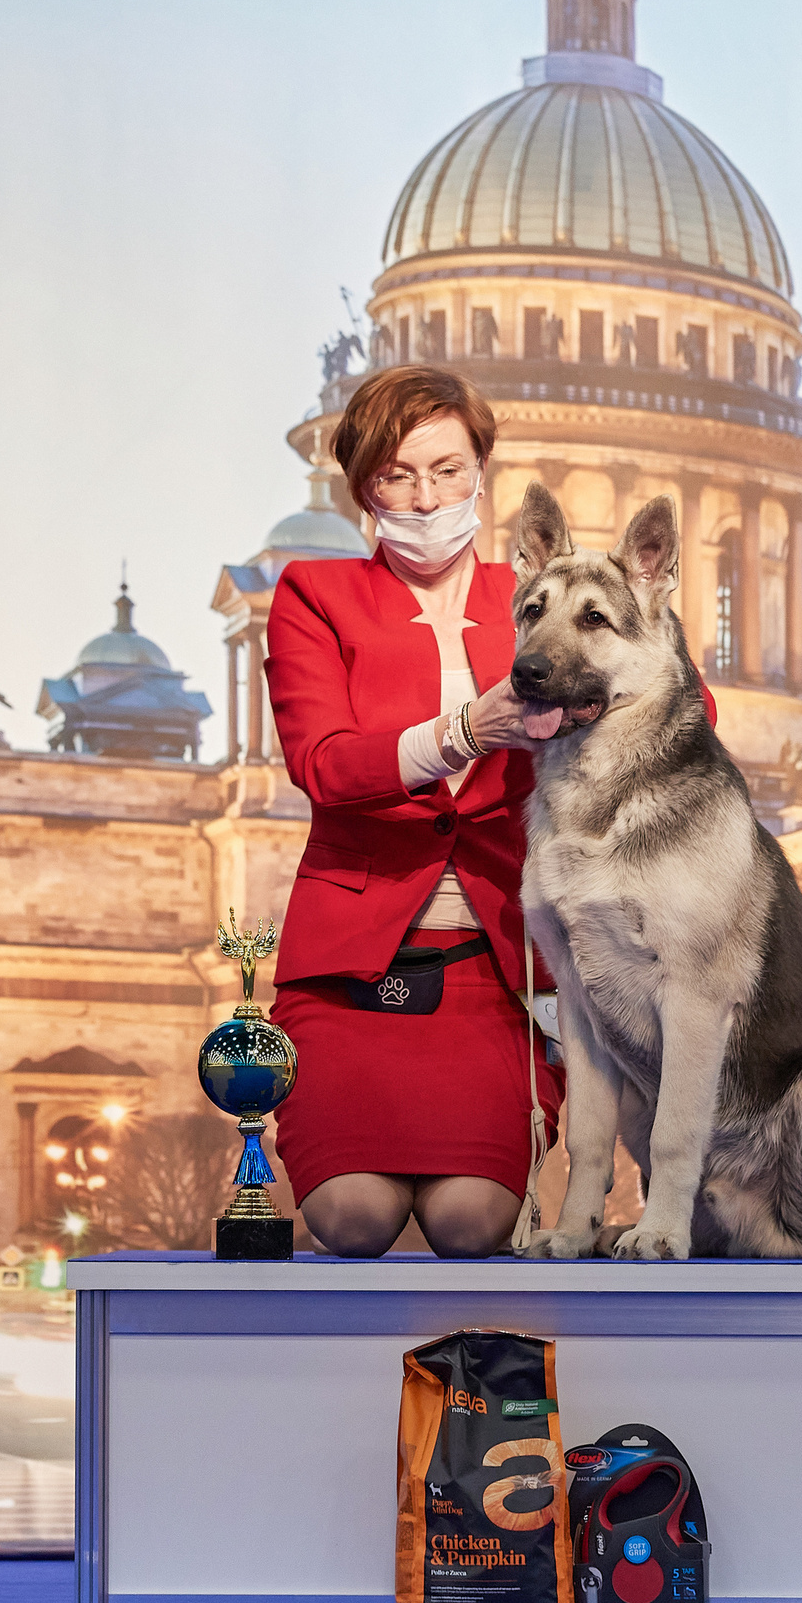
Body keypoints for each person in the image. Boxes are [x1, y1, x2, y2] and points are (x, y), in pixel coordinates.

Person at [263, 365, 568, 1258]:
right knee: (351, 1216)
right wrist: (466, 729)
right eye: (397, 475)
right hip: (354, 972)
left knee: (473, 1222)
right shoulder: (315, 597)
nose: (425, 496)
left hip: (496, 973)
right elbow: (324, 763)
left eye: (445, 469)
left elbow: (686, 705)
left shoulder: (543, 595)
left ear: (482, 470)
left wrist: (584, 714)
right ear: (363, 488)